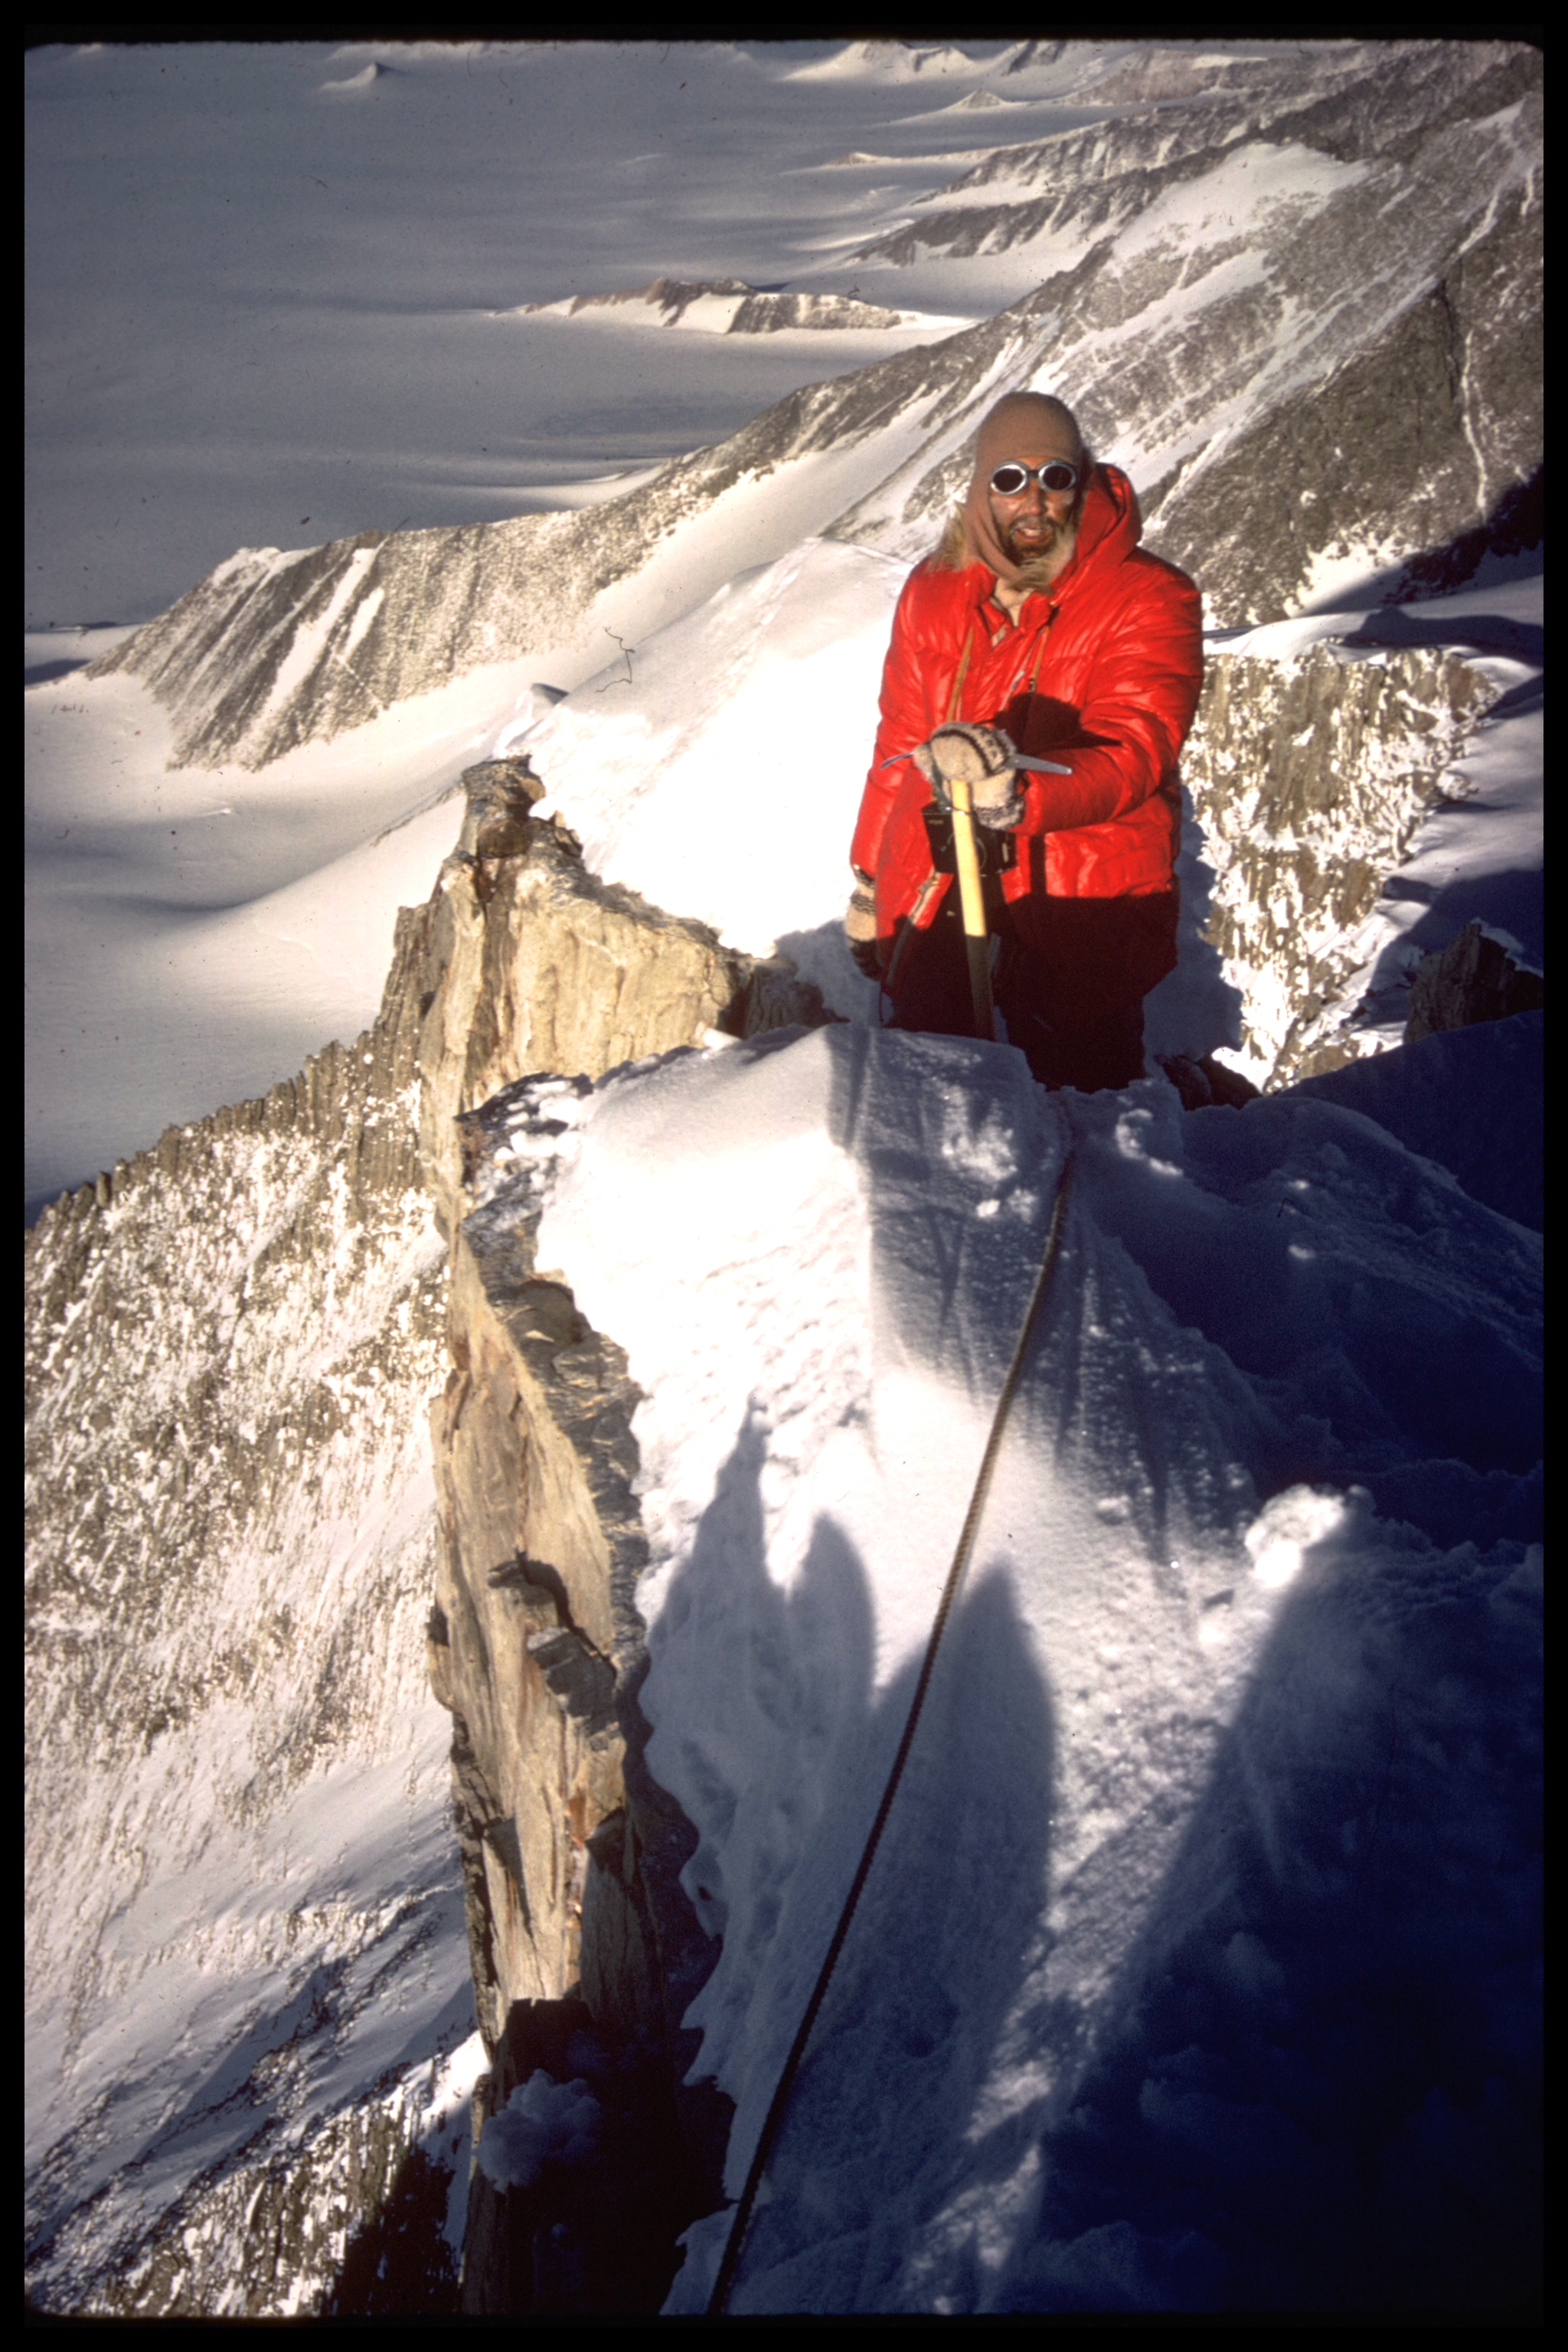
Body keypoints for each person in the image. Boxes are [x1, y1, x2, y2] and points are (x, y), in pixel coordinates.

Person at [845, 390, 1203, 1091]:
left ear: (1083, 480)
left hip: (1076, 909)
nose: (1033, 503)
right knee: (933, 1098)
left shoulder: (1148, 596)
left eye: (1055, 479)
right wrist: (868, 881)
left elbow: (1137, 746)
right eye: (1010, 481)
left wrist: (1018, 791)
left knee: (1080, 1111)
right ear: (981, 489)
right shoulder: (934, 589)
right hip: (939, 891)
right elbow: (901, 739)